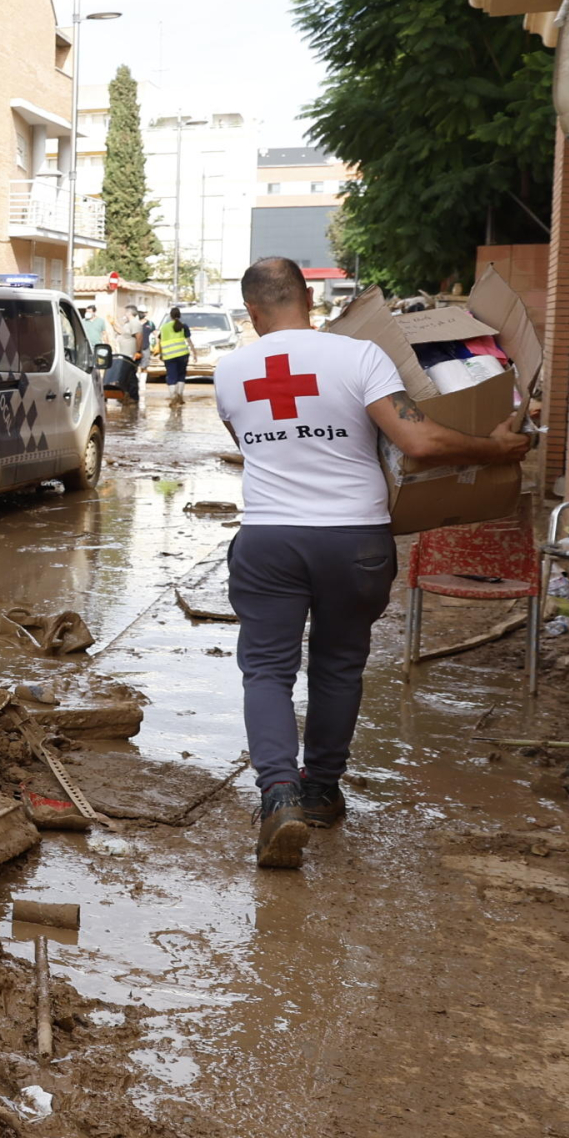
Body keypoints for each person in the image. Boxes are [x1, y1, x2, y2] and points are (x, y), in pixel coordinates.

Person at [214, 257, 534, 869]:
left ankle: (277, 796)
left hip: (269, 540)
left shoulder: (231, 372)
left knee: (266, 673)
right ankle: (321, 790)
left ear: (253, 312)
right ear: (307, 300)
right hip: (353, 539)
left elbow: (250, 449)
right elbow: (417, 442)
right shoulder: (356, 355)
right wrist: (494, 447)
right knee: (337, 665)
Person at [157, 307, 192, 400]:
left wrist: (160, 354)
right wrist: (194, 352)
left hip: (169, 355)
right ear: (179, 315)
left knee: (171, 375)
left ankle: (173, 397)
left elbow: (160, 341)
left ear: (170, 316)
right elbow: (189, 341)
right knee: (181, 374)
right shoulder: (184, 326)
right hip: (182, 354)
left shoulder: (164, 327)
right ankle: (179, 395)